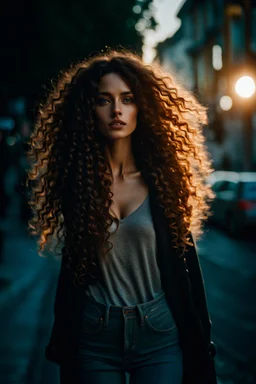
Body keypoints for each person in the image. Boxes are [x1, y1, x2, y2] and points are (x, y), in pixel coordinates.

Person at [27, 49, 217, 384]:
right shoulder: (78, 183)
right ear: (90, 110)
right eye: (104, 100)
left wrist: (202, 336)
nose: (117, 110)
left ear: (141, 107)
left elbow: (186, 266)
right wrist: (63, 332)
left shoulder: (163, 182)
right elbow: (72, 268)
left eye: (127, 99)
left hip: (158, 332)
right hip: (95, 333)